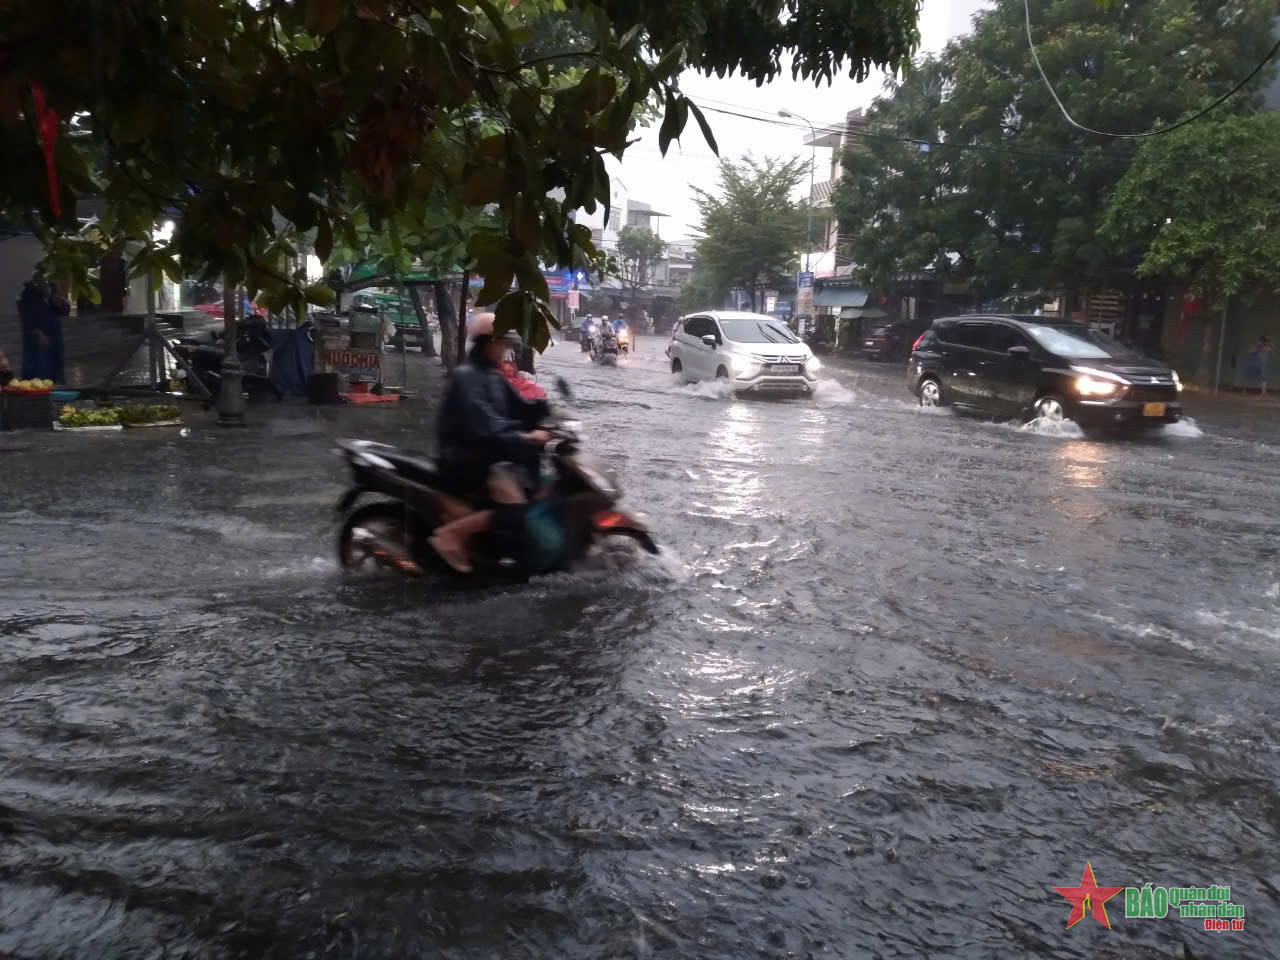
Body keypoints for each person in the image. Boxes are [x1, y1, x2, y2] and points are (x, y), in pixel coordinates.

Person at [429, 313, 554, 572]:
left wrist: (550, 414)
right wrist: (526, 437)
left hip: (487, 452)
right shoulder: (467, 377)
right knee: (516, 507)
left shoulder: (492, 376)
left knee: (540, 485)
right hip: (465, 457)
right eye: (502, 343)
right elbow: (485, 423)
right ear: (487, 343)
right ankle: (450, 534)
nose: (506, 349)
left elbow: (521, 407)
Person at [18, 265, 68, 384]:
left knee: (54, 364)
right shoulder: (27, 294)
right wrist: (37, 333)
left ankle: (54, 384)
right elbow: (25, 318)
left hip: (54, 332)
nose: (43, 280)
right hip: (37, 336)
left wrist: (61, 303)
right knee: (39, 367)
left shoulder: (52, 291)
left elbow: (64, 311)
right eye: (39, 276)